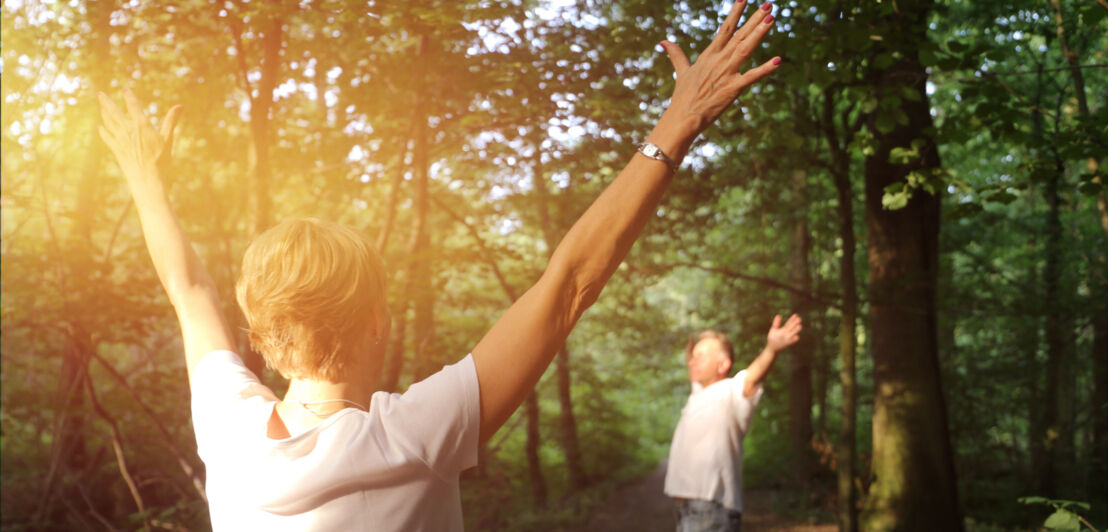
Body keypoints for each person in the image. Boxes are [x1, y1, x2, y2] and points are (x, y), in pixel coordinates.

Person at [96, 1, 781, 529]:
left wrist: (144, 179)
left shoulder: (227, 428)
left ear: (263, 333)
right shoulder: (415, 435)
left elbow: (188, 289)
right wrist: (677, 122)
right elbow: (569, 283)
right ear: (375, 323)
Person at [664, 314, 803, 532]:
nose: (692, 361)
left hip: (711, 510)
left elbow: (753, 376)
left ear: (723, 365)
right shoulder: (698, 394)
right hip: (687, 508)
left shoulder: (731, 392)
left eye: (700, 356)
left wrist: (771, 349)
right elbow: (691, 363)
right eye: (692, 356)